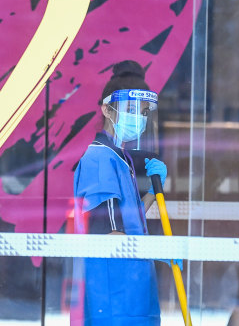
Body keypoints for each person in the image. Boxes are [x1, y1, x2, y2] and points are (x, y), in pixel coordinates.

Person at [71, 60, 168, 326]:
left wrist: (152, 191)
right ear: (107, 109)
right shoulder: (100, 159)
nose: (140, 117)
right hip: (115, 293)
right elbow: (114, 235)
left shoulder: (119, 157)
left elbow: (128, 218)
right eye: (132, 109)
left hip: (132, 289)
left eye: (145, 111)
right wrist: (162, 252)